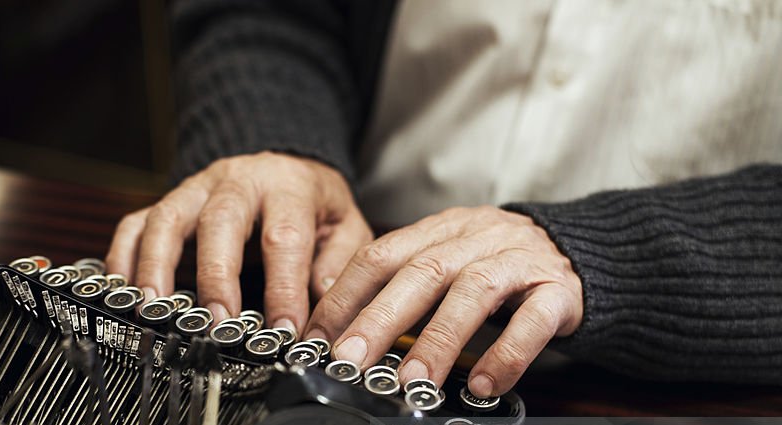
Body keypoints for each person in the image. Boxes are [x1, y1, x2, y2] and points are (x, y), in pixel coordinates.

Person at [106, 0, 782, 396]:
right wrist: (275, 138)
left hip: (671, 400)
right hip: (338, 282)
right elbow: (270, 12)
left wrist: (618, 254)